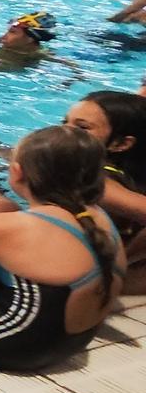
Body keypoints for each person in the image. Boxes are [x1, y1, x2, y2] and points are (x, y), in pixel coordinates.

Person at [0, 126, 125, 371]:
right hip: (72, 342)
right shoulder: (94, 215)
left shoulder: (16, 228)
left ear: (17, 172)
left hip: (6, 346)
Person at [64, 90, 146, 293]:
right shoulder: (124, 173)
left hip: (93, 282)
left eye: (82, 127)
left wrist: (123, 261)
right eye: (64, 122)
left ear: (122, 144)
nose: (64, 131)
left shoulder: (94, 181)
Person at [0, 11, 83, 77]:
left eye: (12, 32)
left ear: (30, 39)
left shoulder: (39, 54)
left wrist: (68, 82)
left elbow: (76, 68)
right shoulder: (1, 41)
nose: (3, 36)